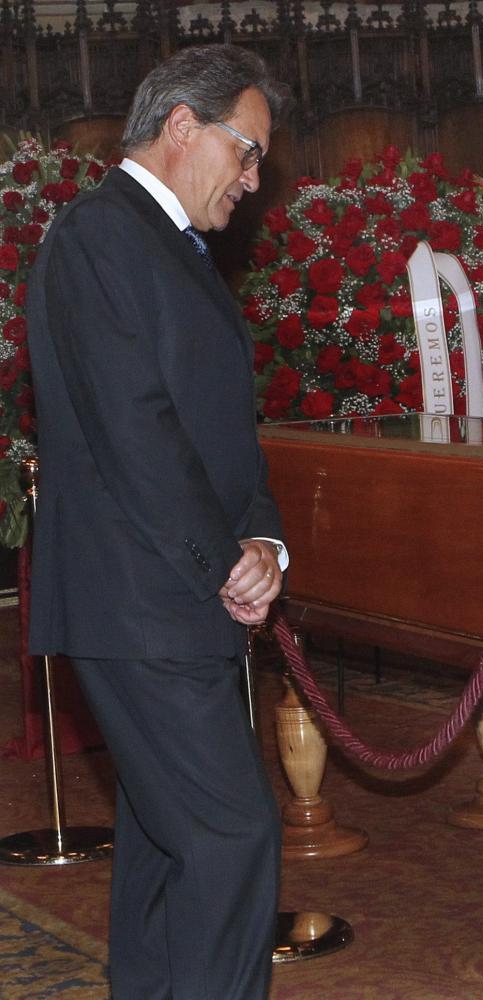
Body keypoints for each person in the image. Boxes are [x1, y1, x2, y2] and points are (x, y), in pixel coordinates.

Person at [26, 45, 291, 999]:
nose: (255, 182)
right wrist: (224, 560)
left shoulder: (171, 245)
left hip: (178, 598)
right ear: (183, 125)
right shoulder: (99, 236)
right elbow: (135, 426)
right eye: (248, 152)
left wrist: (264, 540)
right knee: (230, 837)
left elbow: (223, 435)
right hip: (142, 603)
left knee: (162, 850)